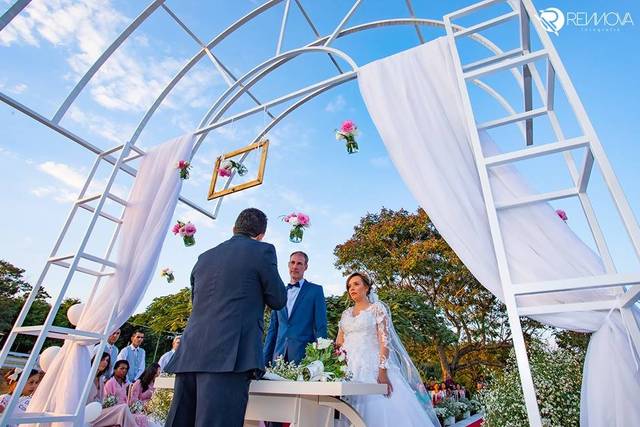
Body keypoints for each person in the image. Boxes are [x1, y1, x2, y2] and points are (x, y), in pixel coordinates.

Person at [164, 208, 287, 427]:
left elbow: (197, 301)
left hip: (191, 352)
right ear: (261, 235)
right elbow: (278, 299)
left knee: (180, 422)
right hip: (229, 356)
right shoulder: (262, 252)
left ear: (234, 229)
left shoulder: (204, 257)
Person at [336, 272, 439, 427]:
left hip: (371, 366)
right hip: (347, 368)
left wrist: (382, 370)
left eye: (356, 284)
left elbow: (384, 341)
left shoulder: (377, 309)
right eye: (349, 286)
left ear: (367, 287)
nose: (352, 288)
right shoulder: (345, 314)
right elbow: (338, 343)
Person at [263, 251, 328, 365]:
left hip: (304, 357)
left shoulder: (315, 291)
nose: (295, 266)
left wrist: (320, 359)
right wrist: (264, 360)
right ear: (288, 265)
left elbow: (320, 326)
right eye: (292, 263)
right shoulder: (279, 292)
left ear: (305, 267)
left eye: (299, 263)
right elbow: (273, 329)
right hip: (278, 357)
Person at [87, 352, 137, 427]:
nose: (105, 362)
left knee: (125, 409)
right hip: (87, 413)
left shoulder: (100, 379)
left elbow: (102, 401)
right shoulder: (87, 376)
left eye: (107, 361)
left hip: (99, 412)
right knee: (123, 408)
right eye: (102, 359)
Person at [128, 363, 161, 427]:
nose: (159, 375)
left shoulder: (155, 384)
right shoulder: (139, 383)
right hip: (139, 411)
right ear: (152, 372)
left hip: (151, 411)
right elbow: (133, 401)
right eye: (158, 372)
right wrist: (145, 405)